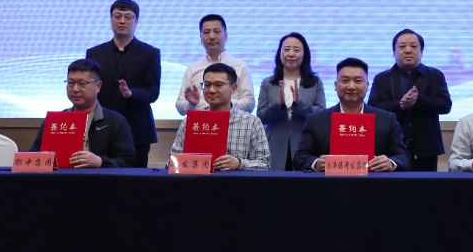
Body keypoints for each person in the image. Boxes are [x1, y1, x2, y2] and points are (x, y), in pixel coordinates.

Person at [293, 58, 410, 172]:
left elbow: (403, 157)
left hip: (373, 183)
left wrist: (391, 163)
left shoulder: (387, 119)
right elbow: (300, 158)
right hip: (330, 184)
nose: (351, 87)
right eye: (345, 81)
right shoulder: (316, 120)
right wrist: (316, 163)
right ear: (335, 85)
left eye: (358, 81)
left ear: (367, 85)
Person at [86, 0, 161, 168]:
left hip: (137, 128)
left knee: (136, 179)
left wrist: (131, 93)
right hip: (101, 126)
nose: (122, 21)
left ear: (137, 21)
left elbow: (153, 91)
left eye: (128, 17)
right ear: (110, 19)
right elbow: (89, 88)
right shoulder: (95, 53)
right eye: (117, 16)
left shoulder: (150, 53)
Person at [368, 29, 452, 171]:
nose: (408, 50)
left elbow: (445, 105)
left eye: (413, 46)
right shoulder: (382, 78)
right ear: (394, 52)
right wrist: (399, 105)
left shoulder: (435, 75)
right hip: (390, 151)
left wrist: (418, 100)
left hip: (426, 150)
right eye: (402, 46)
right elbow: (373, 108)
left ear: (421, 52)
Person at [30, 59, 136, 168]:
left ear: (98, 86)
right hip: (61, 177)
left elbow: (128, 161)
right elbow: (32, 156)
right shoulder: (55, 120)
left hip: (99, 178)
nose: (75, 89)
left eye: (82, 83)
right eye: (71, 83)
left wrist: (100, 162)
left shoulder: (115, 121)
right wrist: (42, 158)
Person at [170, 62, 270, 171]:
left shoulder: (251, 123)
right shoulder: (190, 122)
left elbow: (265, 165)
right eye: (207, 85)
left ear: (233, 88)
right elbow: (171, 164)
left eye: (218, 85)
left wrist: (239, 163)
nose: (211, 90)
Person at [256, 33, 326, 171]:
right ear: (280, 54)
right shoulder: (268, 83)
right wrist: (278, 105)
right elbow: (261, 116)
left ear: (304, 55)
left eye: (297, 50)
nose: (291, 54)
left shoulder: (315, 83)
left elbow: (321, 116)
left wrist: (300, 104)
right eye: (286, 49)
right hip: (275, 146)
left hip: (305, 147)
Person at [176, 14, 254, 115]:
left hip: (232, 122)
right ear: (201, 38)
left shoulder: (240, 66)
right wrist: (193, 104)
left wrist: (222, 105)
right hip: (201, 123)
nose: (212, 37)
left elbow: (249, 103)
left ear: (225, 36)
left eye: (217, 31)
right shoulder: (192, 68)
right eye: (206, 32)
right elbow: (180, 106)